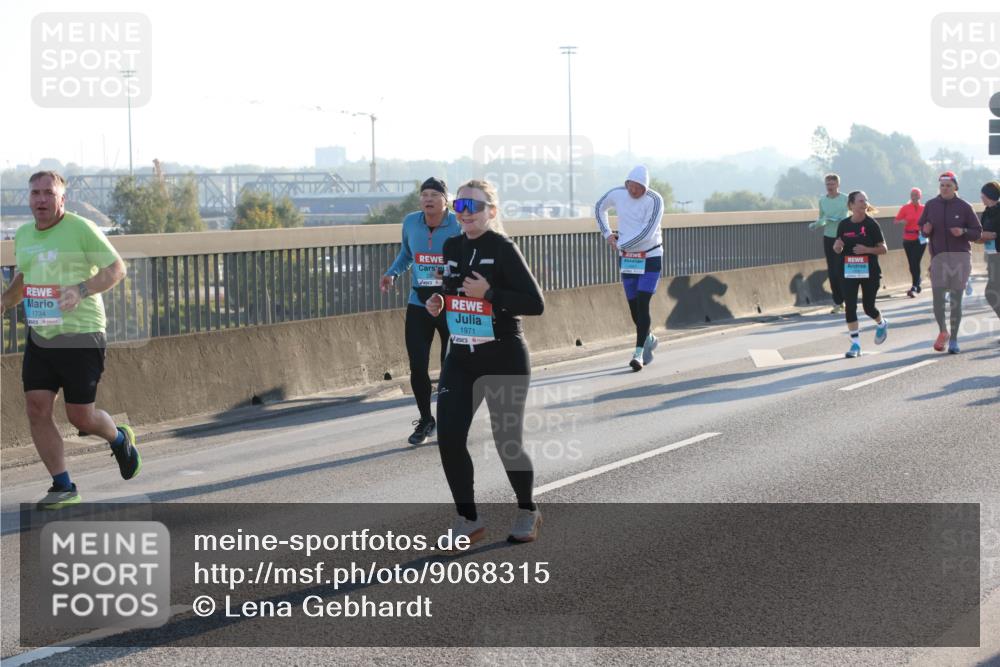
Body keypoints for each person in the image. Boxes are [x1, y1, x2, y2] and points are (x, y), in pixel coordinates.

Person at [0, 171, 141, 510]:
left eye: (48, 193)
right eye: (35, 193)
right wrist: (4, 302)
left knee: (80, 417)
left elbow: (116, 269)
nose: (41, 199)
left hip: (82, 335)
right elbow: (25, 277)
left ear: (62, 199)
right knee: (37, 409)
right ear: (29, 198)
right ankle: (63, 486)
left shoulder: (80, 228)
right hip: (42, 334)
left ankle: (118, 437)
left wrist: (80, 290)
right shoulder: (24, 234)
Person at [425, 179, 544, 545]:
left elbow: (535, 303)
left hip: (503, 355)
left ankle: (527, 509)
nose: (465, 213)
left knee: (507, 441)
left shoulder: (503, 248)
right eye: (459, 206)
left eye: (473, 206)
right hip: (461, 357)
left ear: (491, 211)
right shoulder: (451, 246)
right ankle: (468, 519)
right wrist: (439, 301)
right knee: (449, 437)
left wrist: (490, 293)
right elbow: (448, 288)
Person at [380, 177, 461, 445]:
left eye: (434, 195)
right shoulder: (410, 222)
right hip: (419, 303)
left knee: (450, 367)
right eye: (424, 194)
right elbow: (407, 254)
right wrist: (392, 273)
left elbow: (468, 258)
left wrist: (450, 274)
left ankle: (451, 419)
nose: (428, 199)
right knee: (417, 365)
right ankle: (426, 420)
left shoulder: (458, 224)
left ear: (445, 200)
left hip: (450, 303)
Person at [595, 165, 665, 371]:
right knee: (634, 308)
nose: (634, 191)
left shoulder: (655, 200)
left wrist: (622, 244)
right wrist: (608, 234)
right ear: (626, 183)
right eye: (631, 186)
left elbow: (647, 232)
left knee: (643, 304)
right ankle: (649, 337)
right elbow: (599, 207)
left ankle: (638, 354)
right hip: (628, 260)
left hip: (650, 256)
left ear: (646, 187)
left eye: (639, 188)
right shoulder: (617, 194)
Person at [919, 171, 983, 353]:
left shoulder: (964, 206)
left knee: (955, 301)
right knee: (938, 300)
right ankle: (943, 331)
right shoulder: (931, 205)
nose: (945, 188)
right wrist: (925, 230)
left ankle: (954, 340)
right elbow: (922, 228)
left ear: (955, 187)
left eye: (948, 185)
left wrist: (963, 231)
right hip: (938, 259)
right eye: (942, 185)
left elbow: (977, 232)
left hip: (960, 258)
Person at [832, 191, 889, 358]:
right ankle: (855, 344)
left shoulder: (871, 224)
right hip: (849, 270)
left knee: (868, 307)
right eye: (860, 201)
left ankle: (881, 323)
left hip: (869, 271)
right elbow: (838, 247)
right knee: (850, 306)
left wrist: (867, 250)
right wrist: (837, 247)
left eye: (866, 200)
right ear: (851, 205)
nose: (864, 203)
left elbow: (884, 249)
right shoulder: (843, 225)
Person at [811, 174, 849, 314]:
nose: (830, 187)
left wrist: (844, 220)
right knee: (832, 271)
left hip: (844, 237)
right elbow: (822, 219)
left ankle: (848, 298)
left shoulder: (845, 198)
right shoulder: (822, 200)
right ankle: (838, 302)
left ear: (838, 185)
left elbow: (855, 214)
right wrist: (816, 224)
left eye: (832, 184)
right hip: (829, 237)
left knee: (843, 269)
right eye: (828, 184)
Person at [975, 181, 1000, 336]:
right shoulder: (986, 212)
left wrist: (993, 235)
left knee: (991, 292)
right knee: (992, 293)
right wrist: (980, 237)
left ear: (989, 196)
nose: (981, 198)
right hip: (991, 258)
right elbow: (981, 234)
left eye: (983, 195)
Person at [894, 187, 926, 298]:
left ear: (920, 196)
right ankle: (917, 281)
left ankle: (914, 286)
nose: (914, 197)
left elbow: (931, 220)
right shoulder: (905, 208)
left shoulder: (924, 208)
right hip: (908, 239)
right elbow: (896, 220)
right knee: (912, 264)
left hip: (920, 238)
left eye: (916, 194)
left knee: (915, 261)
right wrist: (902, 221)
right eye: (912, 195)